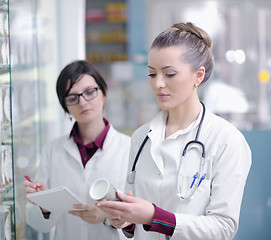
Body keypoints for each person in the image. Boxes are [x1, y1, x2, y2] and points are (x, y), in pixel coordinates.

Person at [97, 22, 252, 240]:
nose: (158, 83)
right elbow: (135, 219)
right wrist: (126, 220)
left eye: (169, 74)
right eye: (152, 74)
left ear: (198, 75)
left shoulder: (226, 140)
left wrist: (155, 217)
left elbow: (223, 226)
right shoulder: (141, 138)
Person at [24, 60, 131, 240]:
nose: (82, 102)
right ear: (65, 105)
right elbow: (38, 224)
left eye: (90, 92)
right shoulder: (52, 151)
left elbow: (142, 215)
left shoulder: (128, 148)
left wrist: (106, 217)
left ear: (104, 93)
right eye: (72, 97)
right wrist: (44, 205)